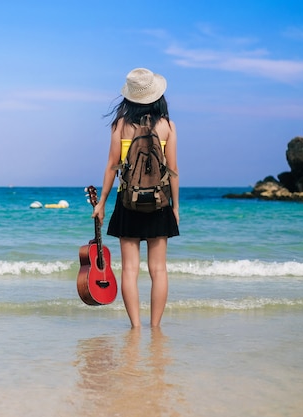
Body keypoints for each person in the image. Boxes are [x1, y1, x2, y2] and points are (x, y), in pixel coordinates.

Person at [92, 68, 180, 328]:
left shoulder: (120, 125)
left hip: (127, 201)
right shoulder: (167, 126)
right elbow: (173, 170)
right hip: (160, 201)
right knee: (159, 270)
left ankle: (136, 328)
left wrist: (102, 202)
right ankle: (156, 328)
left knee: (130, 269)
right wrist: (175, 207)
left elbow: (111, 166)